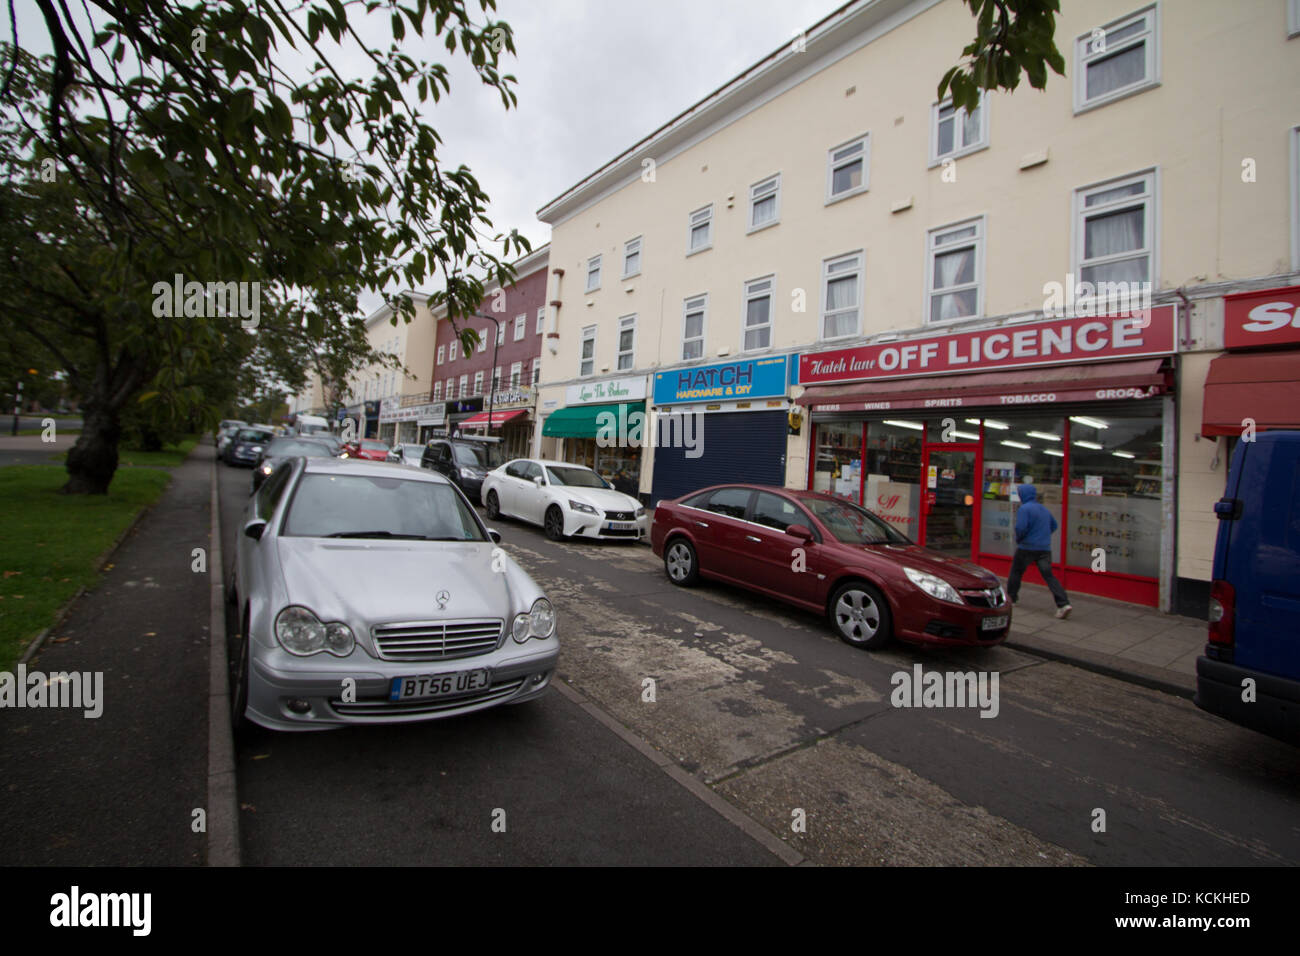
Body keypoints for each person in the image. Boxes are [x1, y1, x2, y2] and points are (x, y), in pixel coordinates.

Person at [1006, 482, 1072, 619]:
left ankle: (1012, 598)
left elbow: (1020, 528)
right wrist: (1042, 536)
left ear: (1023, 495)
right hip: (1044, 549)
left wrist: (1020, 539)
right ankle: (1063, 604)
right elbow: (1054, 525)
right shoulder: (1043, 509)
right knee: (1049, 576)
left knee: (1016, 572)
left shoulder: (1024, 509)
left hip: (1027, 548)